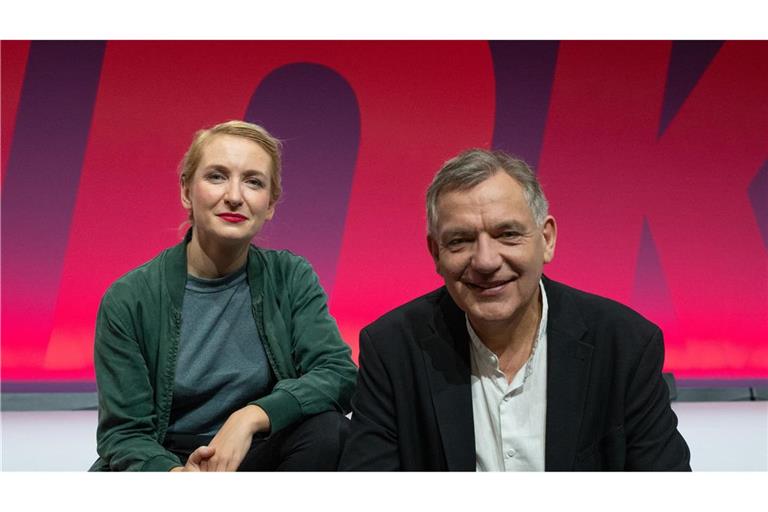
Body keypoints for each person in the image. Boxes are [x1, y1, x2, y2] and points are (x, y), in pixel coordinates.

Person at [340, 149, 690, 471]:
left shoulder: (625, 344)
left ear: (547, 239)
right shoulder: (392, 349)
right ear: (435, 253)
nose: (486, 261)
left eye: (507, 234)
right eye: (460, 240)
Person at [90, 120, 357, 471]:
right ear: (187, 191)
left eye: (253, 182)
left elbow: (338, 373)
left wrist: (251, 417)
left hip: (256, 451)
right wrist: (175, 475)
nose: (234, 195)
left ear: (270, 203)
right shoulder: (129, 298)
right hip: (164, 460)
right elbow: (124, 433)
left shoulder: (290, 277)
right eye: (216, 176)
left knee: (331, 432)